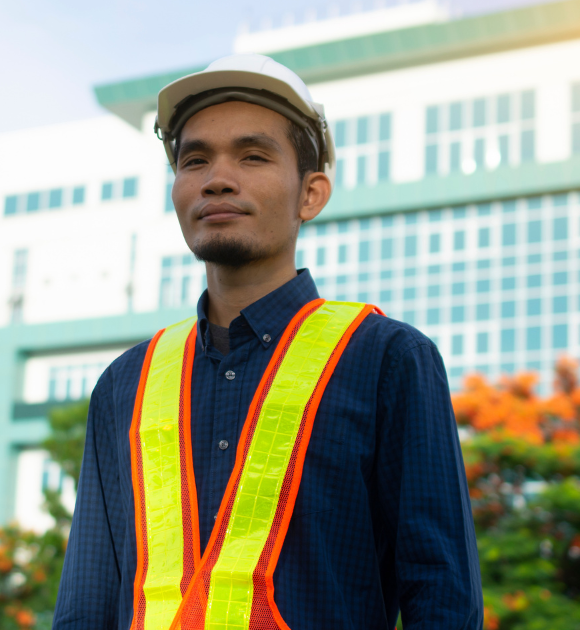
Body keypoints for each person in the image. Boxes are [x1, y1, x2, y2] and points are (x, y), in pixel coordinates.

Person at [52, 53, 482, 630]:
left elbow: (443, 598)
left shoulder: (386, 359)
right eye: (194, 159)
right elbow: (86, 606)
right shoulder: (124, 385)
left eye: (253, 156)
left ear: (312, 193)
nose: (217, 177)